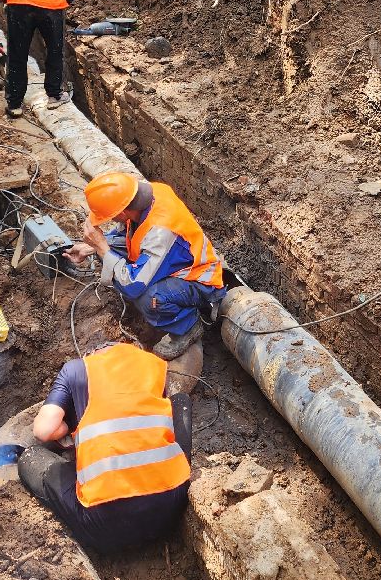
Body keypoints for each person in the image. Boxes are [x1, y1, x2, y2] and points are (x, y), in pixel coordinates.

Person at [19, 343, 192, 554]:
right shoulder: (152, 364)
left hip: (105, 527)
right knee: (180, 401)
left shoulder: (75, 369)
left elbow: (42, 431)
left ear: (91, 354)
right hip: (170, 509)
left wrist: (69, 427)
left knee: (30, 457)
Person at [66, 172, 226, 360]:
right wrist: (92, 246)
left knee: (149, 299)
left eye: (111, 217)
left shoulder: (160, 232)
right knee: (110, 254)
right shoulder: (145, 195)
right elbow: (127, 233)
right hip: (172, 258)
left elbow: (132, 286)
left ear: (122, 213)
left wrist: (101, 247)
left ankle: (187, 328)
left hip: (198, 279)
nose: (108, 221)